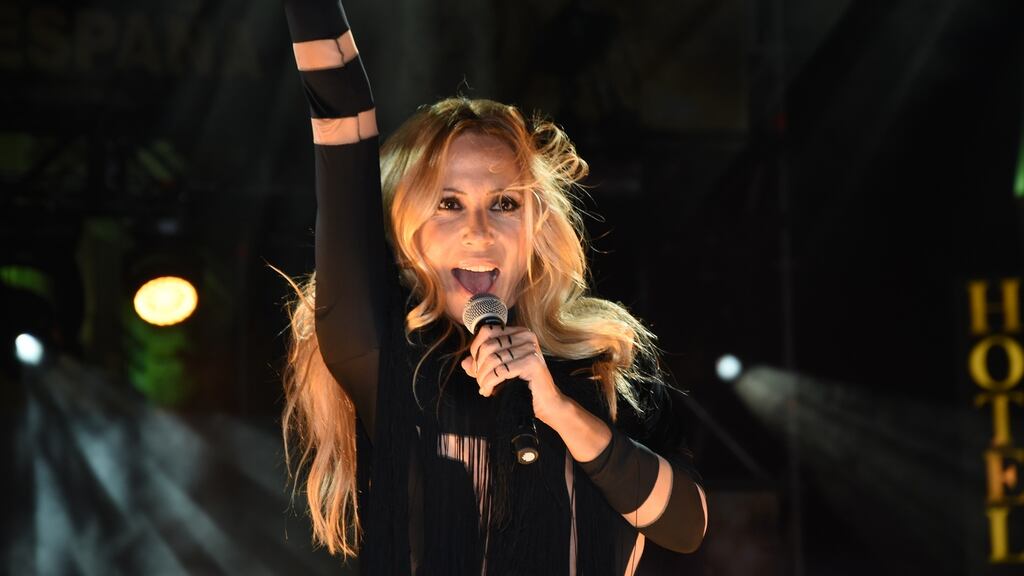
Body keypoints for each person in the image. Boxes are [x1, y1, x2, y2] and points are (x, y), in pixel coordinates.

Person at [279, 0, 708, 573]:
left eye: (504, 203)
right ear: (404, 236)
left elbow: (687, 525)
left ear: (534, 228)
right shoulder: (379, 356)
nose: (479, 230)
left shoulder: (599, 370)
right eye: (448, 204)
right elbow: (340, 114)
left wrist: (556, 408)